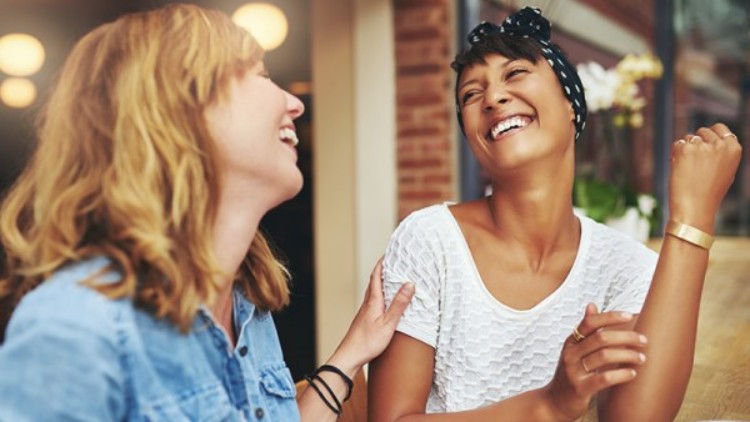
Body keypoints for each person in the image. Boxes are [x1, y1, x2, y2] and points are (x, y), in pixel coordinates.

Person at [0, 4, 415, 421]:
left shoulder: (246, 309)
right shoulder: (76, 328)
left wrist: (354, 351)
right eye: (262, 74)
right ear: (183, 109)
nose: (295, 103)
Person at [369, 7, 742, 422]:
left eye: (514, 74)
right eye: (471, 95)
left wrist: (691, 217)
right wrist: (549, 405)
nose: (492, 98)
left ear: (571, 105)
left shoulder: (627, 267)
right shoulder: (429, 240)